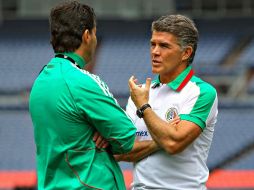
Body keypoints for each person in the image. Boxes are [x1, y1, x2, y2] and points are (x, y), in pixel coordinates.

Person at [29, 1, 136, 189]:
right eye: (94, 32)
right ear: (87, 36)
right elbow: (126, 137)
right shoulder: (82, 82)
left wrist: (103, 132)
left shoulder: (41, 81)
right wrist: (107, 133)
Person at [115, 14, 218, 190]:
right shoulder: (141, 93)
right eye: (152, 44)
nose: (155, 51)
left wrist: (144, 107)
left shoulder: (202, 92)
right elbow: (119, 151)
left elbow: (173, 144)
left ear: (186, 53)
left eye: (164, 46)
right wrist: (160, 139)